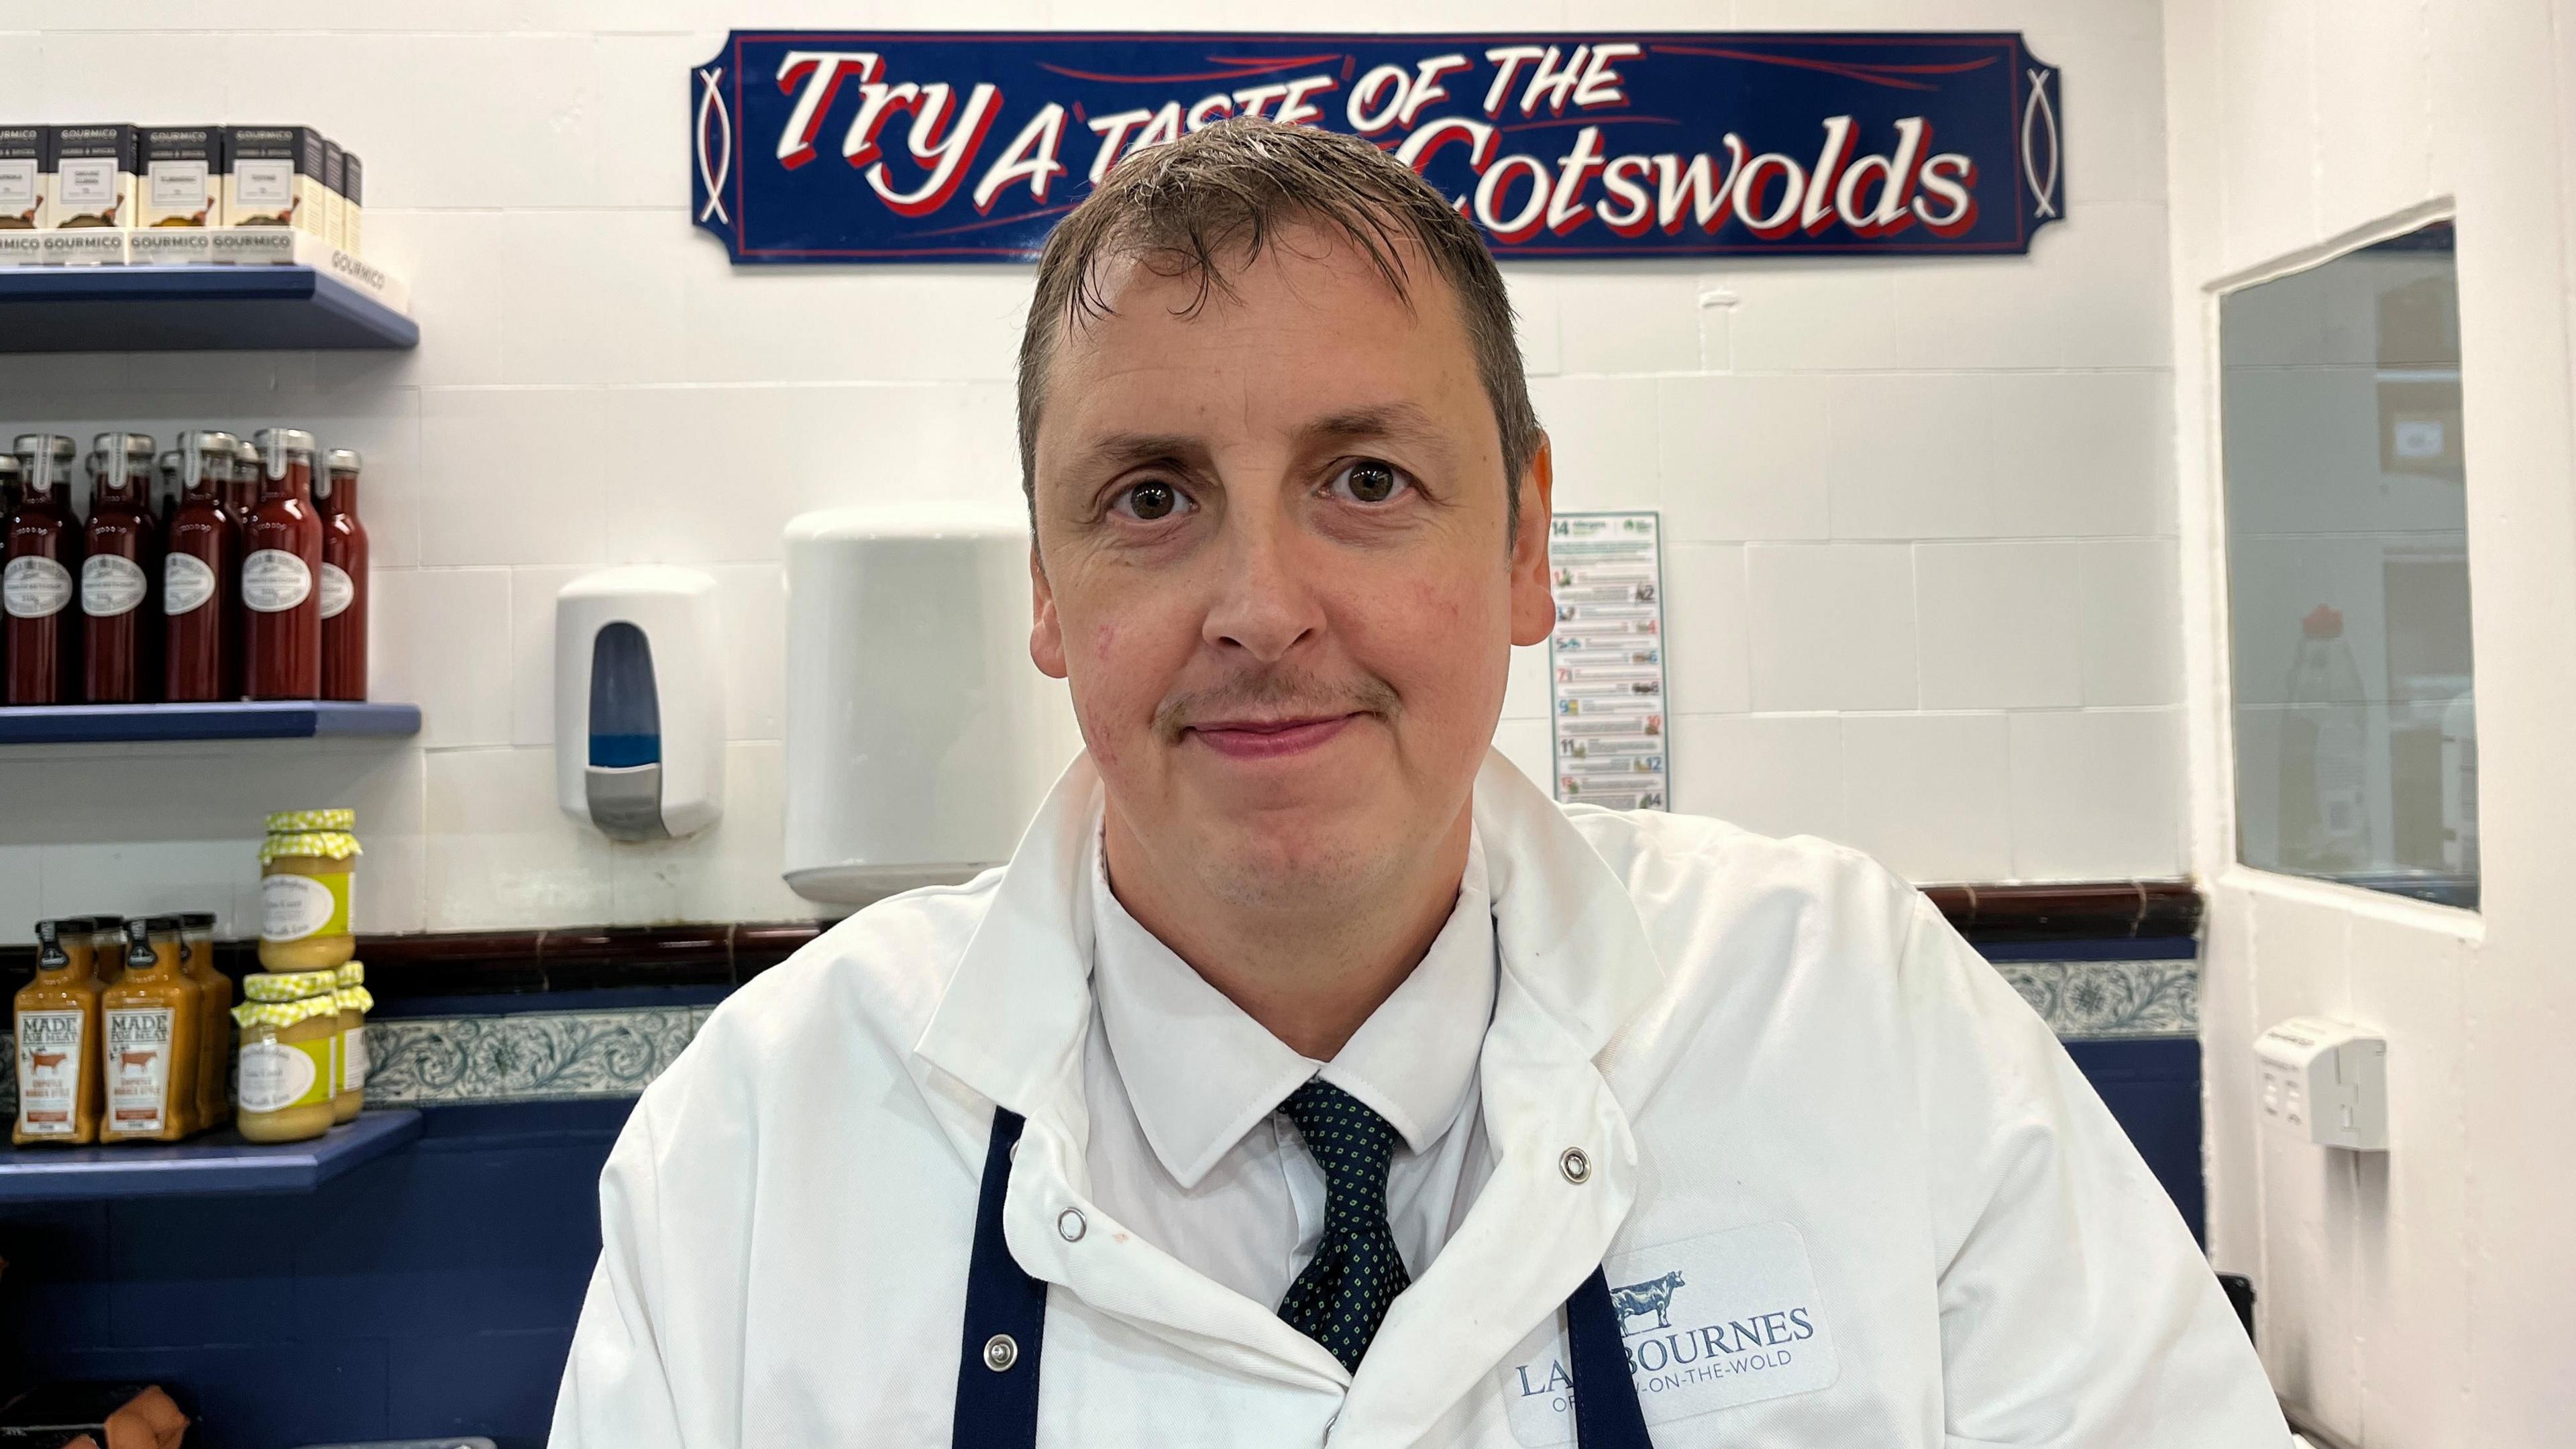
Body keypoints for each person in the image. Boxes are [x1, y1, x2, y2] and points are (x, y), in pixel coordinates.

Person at [550, 119, 2288, 1448]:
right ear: (1046, 596)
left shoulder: (1849, 1010)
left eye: (1365, 479)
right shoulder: (762, 1140)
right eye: (1151, 497)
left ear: (1528, 543)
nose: (1262, 610)